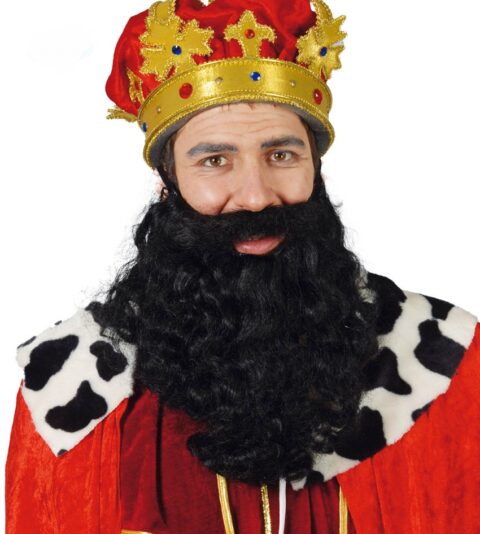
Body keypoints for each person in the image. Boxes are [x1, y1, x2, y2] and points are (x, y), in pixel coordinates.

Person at [5, 0, 479, 533]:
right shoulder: (71, 390)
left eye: (282, 155)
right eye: (215, 161)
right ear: (167, 181)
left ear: (316, 168)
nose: (255, 197)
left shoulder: (443, 359)